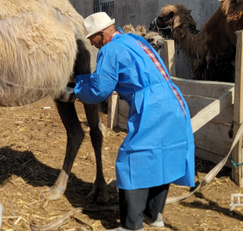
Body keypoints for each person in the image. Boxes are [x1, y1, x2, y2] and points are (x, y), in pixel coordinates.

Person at [74, 12, 195, 231]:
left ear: (101, 35)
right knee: (162, 155)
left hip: (152, 105)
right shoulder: (132, 40)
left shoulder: (109, 50)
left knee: (132, 159)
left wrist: (78, 86)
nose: (91, 43)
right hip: (172, 99)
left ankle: (131, 226)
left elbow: (99, 90)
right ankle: (153, 215)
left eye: (92, 38)